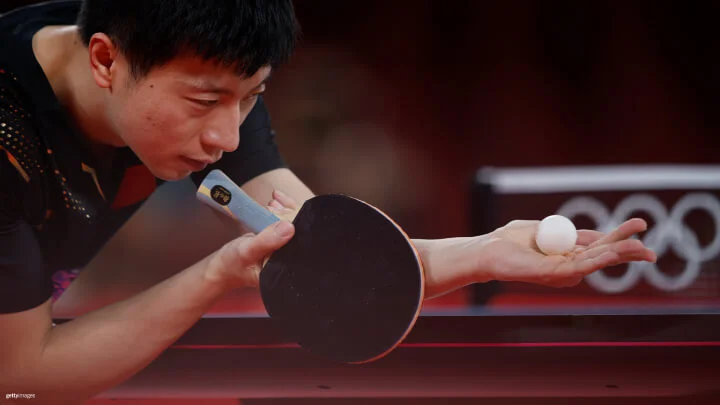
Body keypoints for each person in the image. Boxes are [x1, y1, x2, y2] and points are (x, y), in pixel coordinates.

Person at [0, 0, 656, 402]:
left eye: (252, 96)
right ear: (106, 61)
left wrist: (483, 253)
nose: (227, 136)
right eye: (205, 103)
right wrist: (214, 275)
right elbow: (23, 378)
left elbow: (326, 258)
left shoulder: (188, 63)